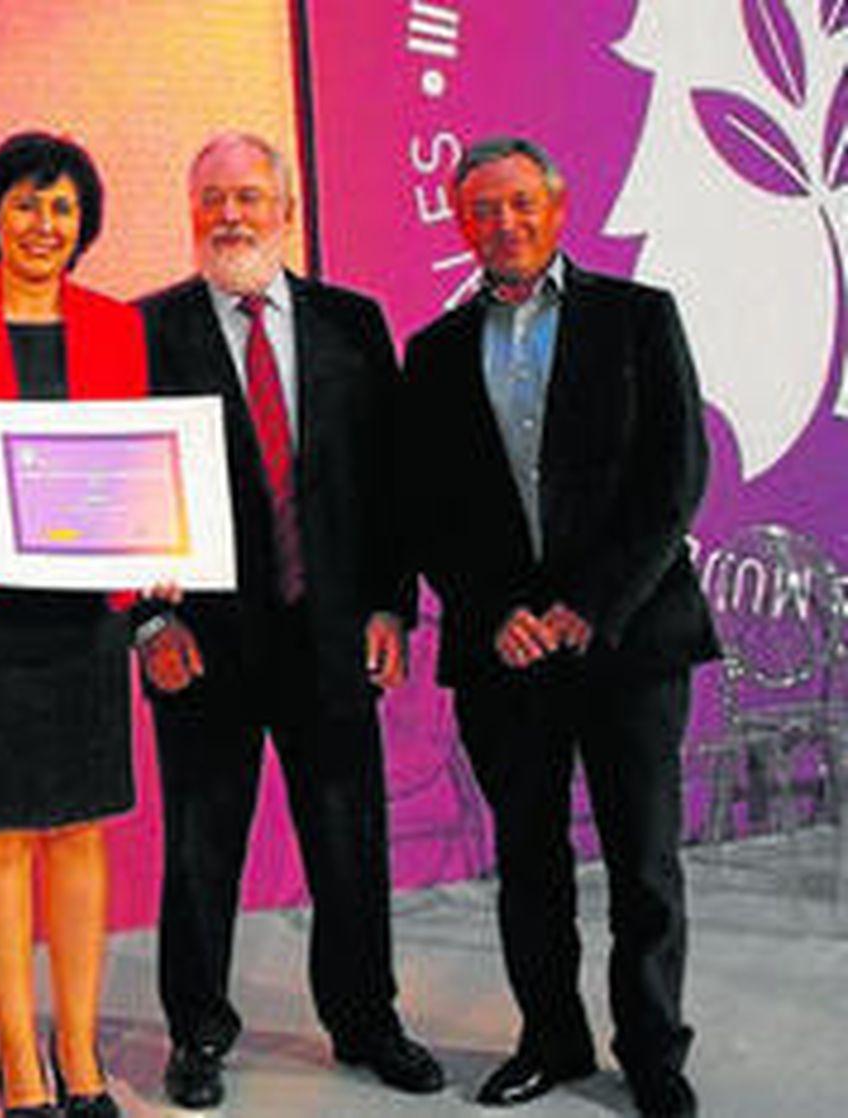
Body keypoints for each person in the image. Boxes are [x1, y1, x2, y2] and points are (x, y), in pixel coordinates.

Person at [399, 137, 716, 1118]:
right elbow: (428, 507)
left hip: (628, 641)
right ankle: (550, 1035)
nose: (504, 223)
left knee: (644, 860)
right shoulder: (434, 349)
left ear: (557, 204)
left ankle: (653, 1048)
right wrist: (495, 615)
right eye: (483, 209)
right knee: (527, 861)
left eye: (521, 204)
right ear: (461, 223)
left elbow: (677, 475)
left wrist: (591, 605)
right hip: (509, 655)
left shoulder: (637, 315)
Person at [136, 132, 443, 1110]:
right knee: (198, 851)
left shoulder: (355, 324)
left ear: (287, 209)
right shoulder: (144, 330)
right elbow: (120, 494)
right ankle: (196, 1032)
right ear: (191, 212)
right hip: (203, 649)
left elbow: (393, 482)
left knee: (351, 840)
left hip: (334, 633)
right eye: (212, 198)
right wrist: (146, 625)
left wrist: (396, 603)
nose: (230, 214)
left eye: (249, 196)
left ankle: (366, 1020)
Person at [0, 132, 147, 1118]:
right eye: (24, 204)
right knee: (1, 835)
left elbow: (137, 461)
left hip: (86, 614)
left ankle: (80, 1049)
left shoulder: (117, 326)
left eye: (61, 208)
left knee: (80, 827)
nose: (42, 224)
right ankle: (17, 1056)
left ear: (82, 225)